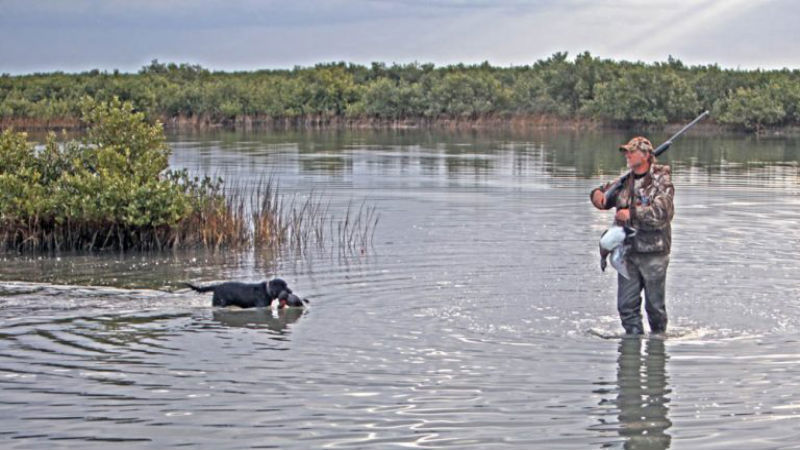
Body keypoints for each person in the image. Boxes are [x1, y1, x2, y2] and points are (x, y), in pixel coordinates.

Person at [590, 137, 675, 335]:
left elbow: (664, 212)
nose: (627, 155)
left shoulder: (661, 181)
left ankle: (657, 346)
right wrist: (597, 196)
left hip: (654, 253)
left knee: (655, 308)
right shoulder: (624, 181)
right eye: (626, 152)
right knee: (626, 307)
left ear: (645, 156)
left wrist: (633, 213)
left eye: (631, 151)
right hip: (627, 254)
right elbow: (600, 194)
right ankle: (632, 347)